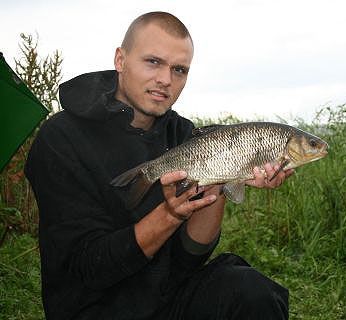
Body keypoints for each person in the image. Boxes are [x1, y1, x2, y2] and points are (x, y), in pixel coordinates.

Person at [25, 11, 292, 320]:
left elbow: (190, 257)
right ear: (120, 60)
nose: (166, 80)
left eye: (179, 70)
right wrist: (168, 215)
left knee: (253, 292)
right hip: (92, 306)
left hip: (166, 297)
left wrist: (221, 177)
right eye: (153, 62)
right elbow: (88, 270)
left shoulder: (182, 135)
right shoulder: (61, 138)